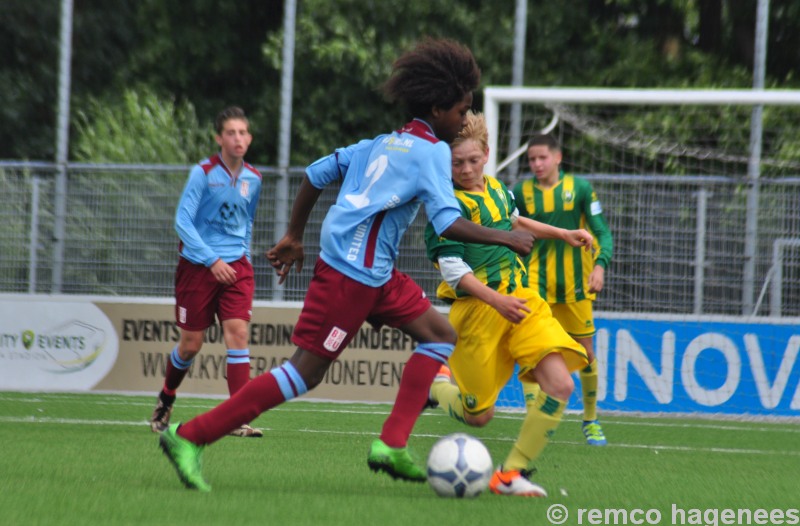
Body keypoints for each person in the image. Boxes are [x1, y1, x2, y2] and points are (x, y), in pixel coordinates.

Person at [157, 37, 535, 492]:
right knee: (303, 373)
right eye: (461, 110)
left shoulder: (378, 144)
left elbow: (314, 175)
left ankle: (391, 446)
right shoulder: (433, 151)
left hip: (373, 274)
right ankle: (188, 436)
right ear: (437, 109)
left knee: (439, 336)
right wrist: (506, 237)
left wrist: (296, 235)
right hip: (350, 277)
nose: (464, 120)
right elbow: (449, 222)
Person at [425, 111, 592, 497]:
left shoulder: (499, 189)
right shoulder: (445, 207)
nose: (465, 169)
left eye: (472, 160)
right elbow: (453, 271)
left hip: (522, 300)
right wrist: (495, 300)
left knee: (561, 384)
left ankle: (509, 474)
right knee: (478, 415)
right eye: (456, 163)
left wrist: (563, 233)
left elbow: (516, 222)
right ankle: (436, 387)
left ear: (486, 154)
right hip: (479, 310)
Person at [149, 106, 264, 438]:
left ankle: (237, 418)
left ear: (250, 138)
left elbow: (247, 222)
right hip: (199, 267)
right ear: (219, 138)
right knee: (191, 345)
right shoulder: (202, 172)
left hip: (237, 267)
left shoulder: (254, 178)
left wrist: (240, 255)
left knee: (238, 336)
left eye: (243, 132)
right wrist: (212, 260)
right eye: (231, 132)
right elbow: (182, 223)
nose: (238, 138)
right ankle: (166, 398)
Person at [512, 133, 614, 446]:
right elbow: (509, 230)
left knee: (585, 354)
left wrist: (600, 265)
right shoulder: (521, 192)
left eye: (542, 157)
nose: (537, 164)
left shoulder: (580, 189)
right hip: (534, 285)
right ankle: (535, 415)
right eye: (531, 159)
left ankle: (591, 419)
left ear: (558, 157)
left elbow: (601, 232)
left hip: (575, 287)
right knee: (533, 351)